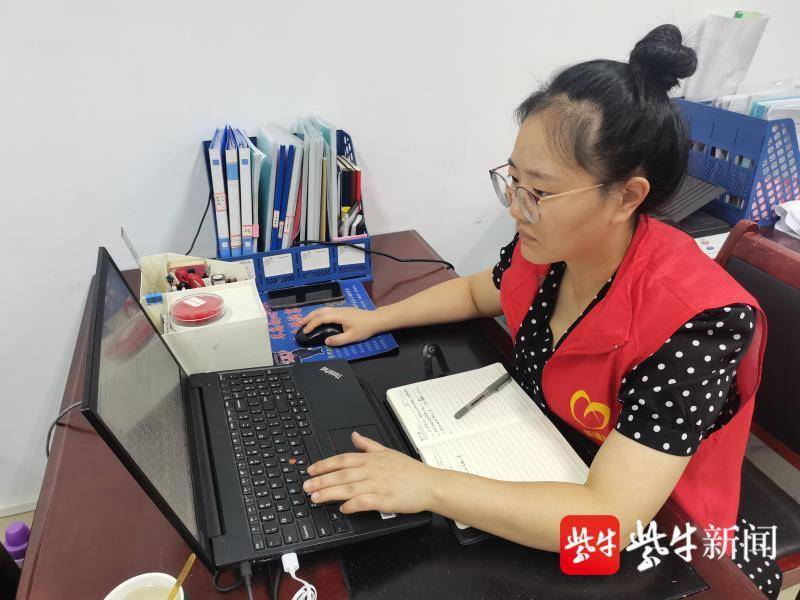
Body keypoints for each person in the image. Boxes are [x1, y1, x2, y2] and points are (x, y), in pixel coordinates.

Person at [297, 24, 778, 598]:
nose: (516, 207)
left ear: (627, 196)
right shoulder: (552, 248)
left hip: (669, 537)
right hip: (549, 458)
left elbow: (607, 525)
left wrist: (428, 486)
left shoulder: (700, 324)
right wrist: (378, 318)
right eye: (514, 180)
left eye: (540, 192)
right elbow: (482, 291)